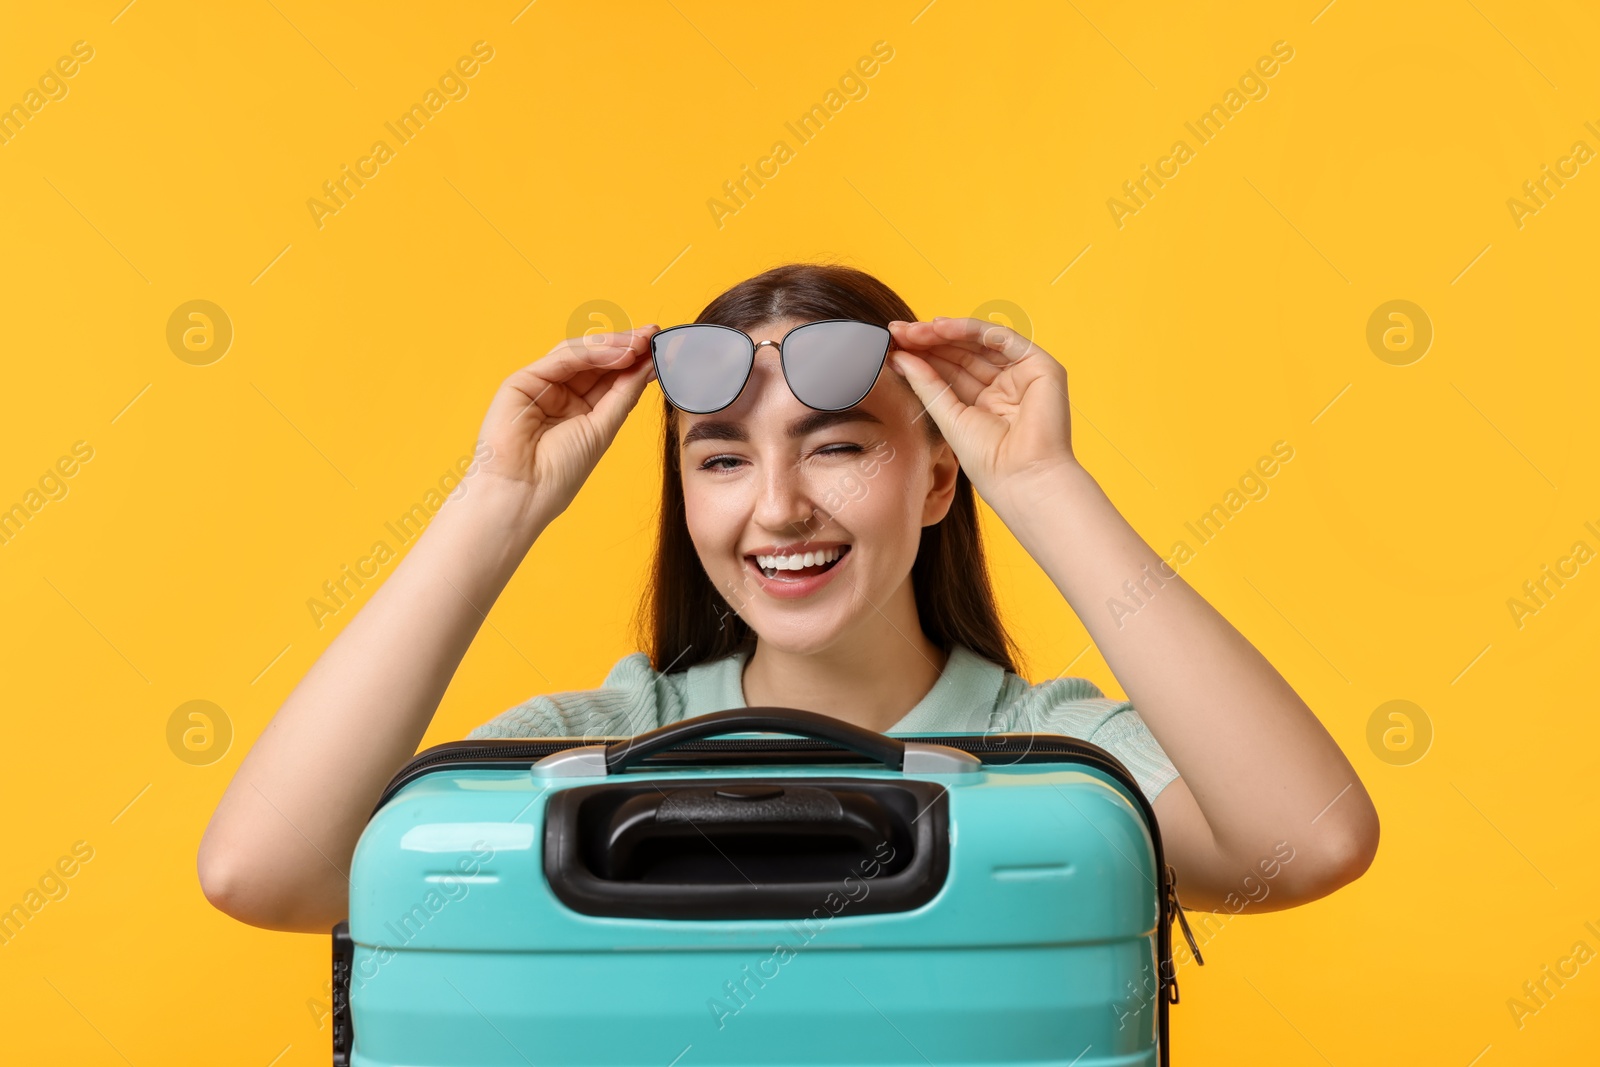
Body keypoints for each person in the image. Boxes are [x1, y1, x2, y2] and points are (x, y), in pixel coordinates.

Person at [198, 262, 1378, 933]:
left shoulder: (1056, 757)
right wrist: (494, 507)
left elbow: (1309, 838)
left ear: (933, 481)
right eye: (719, 457)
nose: (774, 509)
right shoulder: (597, 748)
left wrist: (1045, 483)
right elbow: (267, 871)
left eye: (836, 448)